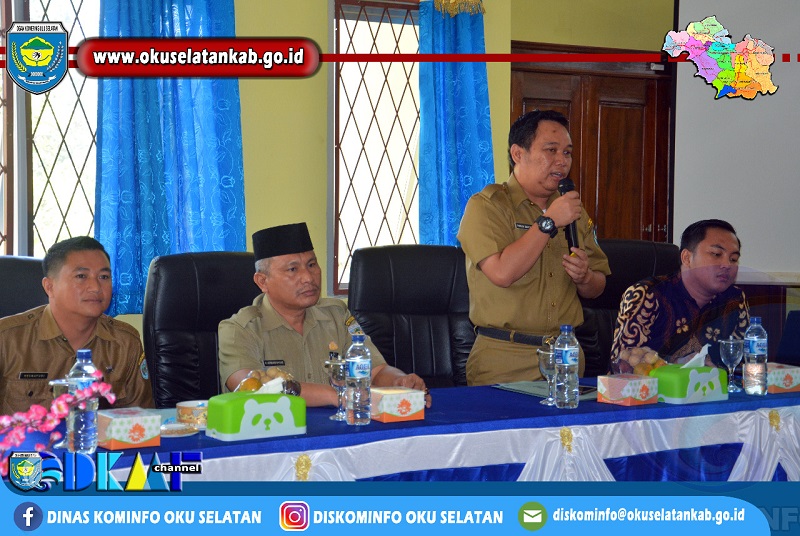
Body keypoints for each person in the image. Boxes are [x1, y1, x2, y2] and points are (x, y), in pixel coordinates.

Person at [457, 110, 610, 385]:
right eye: (551, 150)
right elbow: (501, 273)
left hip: (565, 356)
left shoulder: (572, 209)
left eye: (567, 152)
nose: (562, 161)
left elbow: (598, 286)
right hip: (505, 357)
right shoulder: (487, 206)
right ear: (518, 153)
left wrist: (585, 277)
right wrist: (548, 221)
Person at [218, 222, 430, 407]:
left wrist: (400, 382)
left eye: (311, 265)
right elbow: (252, 388)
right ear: (263, 282)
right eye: (293, 270)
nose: (308, 277)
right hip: (275, 433)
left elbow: (375, 371)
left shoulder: (337, 315)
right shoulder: (239, 329)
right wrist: (333, 395)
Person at [0, 236, 154, 416]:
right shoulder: (6, 339)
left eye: (104, 277)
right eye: (81, 276)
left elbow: (141, 419)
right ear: (49, 287)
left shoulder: (125, 343)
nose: (95, 287)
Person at [610, 219, 750, 370]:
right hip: (651, 386)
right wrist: (676, 367)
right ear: (686, 258)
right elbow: (622, 366)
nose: (727, 265)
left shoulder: (734, 299)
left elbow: (743, 365)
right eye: (716, 254)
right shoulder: (648, 295)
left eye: (733, 259)